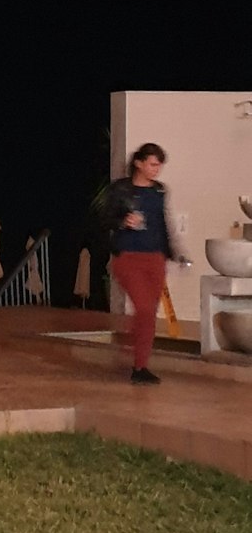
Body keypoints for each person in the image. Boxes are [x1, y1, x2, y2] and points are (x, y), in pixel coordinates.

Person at [103, 141, 187, 385]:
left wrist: (174, 253)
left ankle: (140, 366)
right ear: (139, 163)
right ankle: (135, 351)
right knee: (144, 308)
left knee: (149, 313)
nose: (156, 169)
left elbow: (163, 223)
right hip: (128, 257)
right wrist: (123, 221)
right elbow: (105, 218)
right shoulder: (121, 189)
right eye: (152, 164)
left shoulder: (160, 191)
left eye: (159, 165)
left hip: (155, 257)